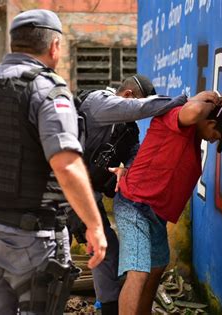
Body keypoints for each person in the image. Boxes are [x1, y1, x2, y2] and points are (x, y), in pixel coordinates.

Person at [0, 9, 107, 315]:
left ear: (15, 44)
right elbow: (66, 165)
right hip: (30, 235)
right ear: (54, 46)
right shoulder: (48, 91)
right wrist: (94, 225)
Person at [110, 91, 222, 315]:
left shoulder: (193, 137)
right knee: (138, 272)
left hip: (155, 215)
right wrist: (210, 98)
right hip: (134, 204)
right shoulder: (176, 119)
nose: (213, 140)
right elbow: (195, 111)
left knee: (156, 269)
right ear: (209, 120)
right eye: (215, 134)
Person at [67, 75, 188, 315]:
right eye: (134, 105)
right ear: (129, 96)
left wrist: (125, 173)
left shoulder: (128, 131)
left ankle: (110, 309)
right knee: (50, 255)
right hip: (58, 191)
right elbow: (141, 108)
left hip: (87, 196)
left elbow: (137, 163)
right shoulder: (98, 101)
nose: (134, 116)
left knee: (106, 249)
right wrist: (184, 103)